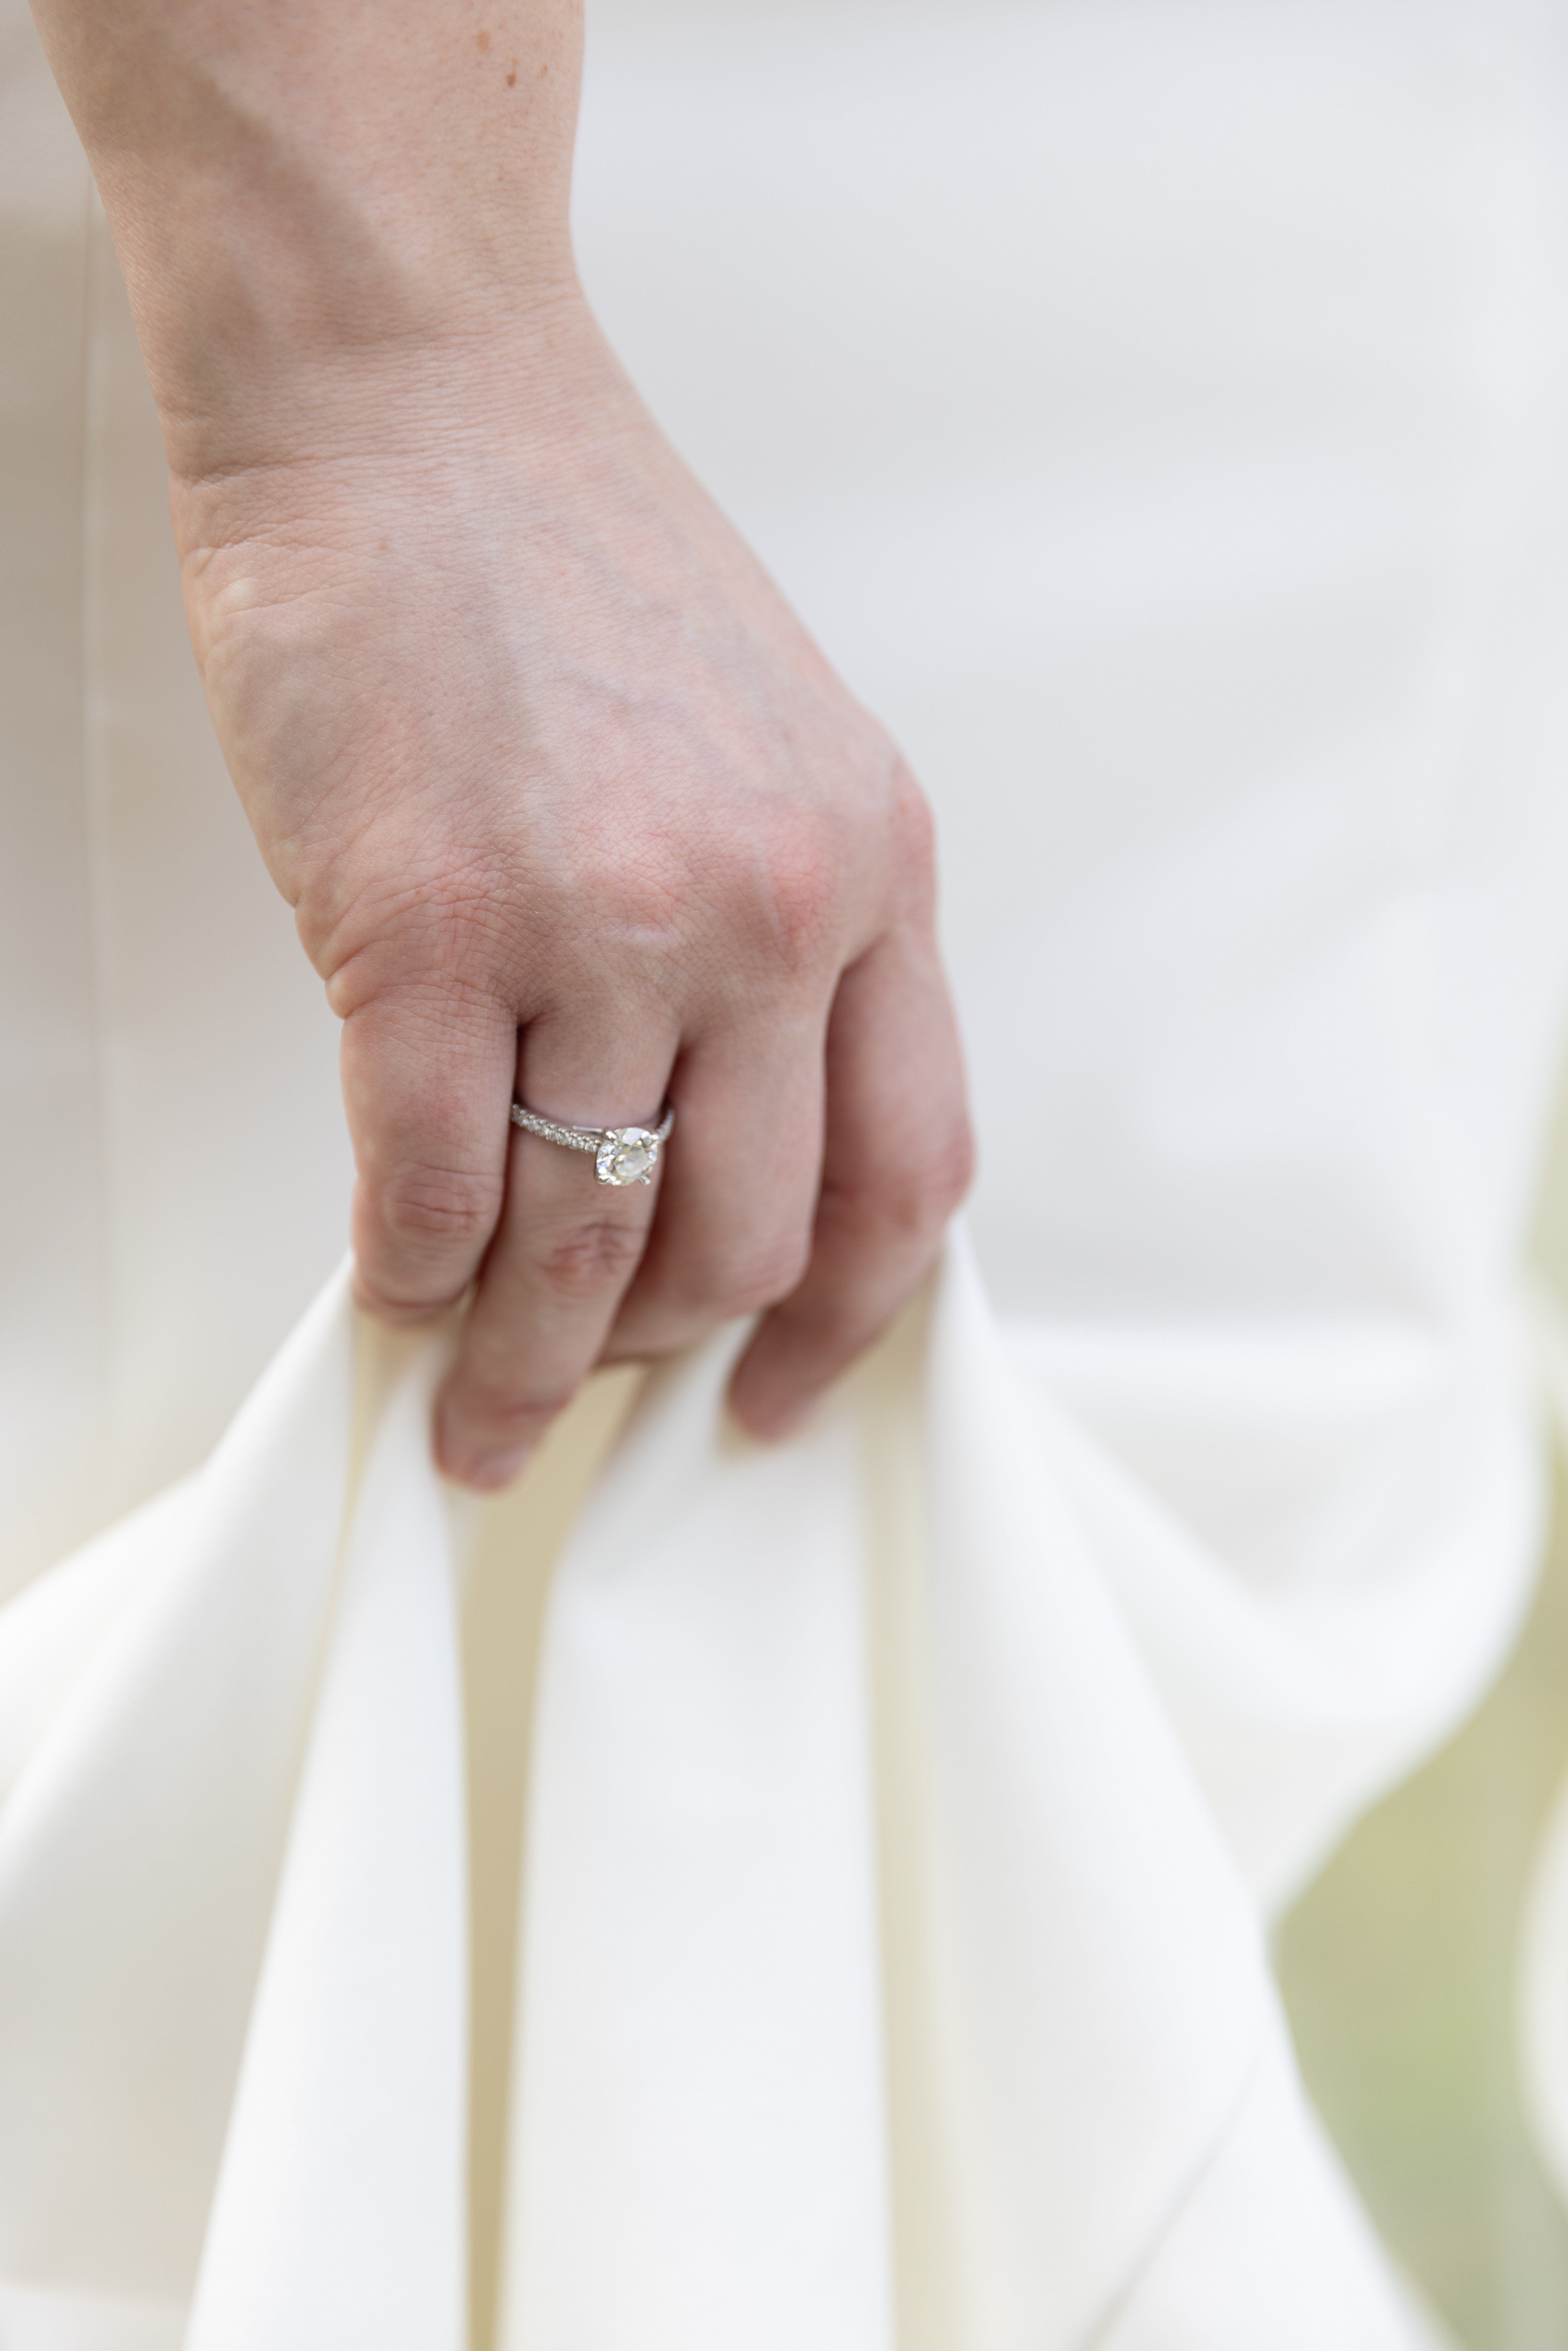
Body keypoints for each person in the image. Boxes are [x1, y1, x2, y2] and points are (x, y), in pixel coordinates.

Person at [5, 1, 1568, 2344]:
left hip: (1354, 285)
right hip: (518, 178)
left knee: (1096, 1703)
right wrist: (394, 371)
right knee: (362, 1746)